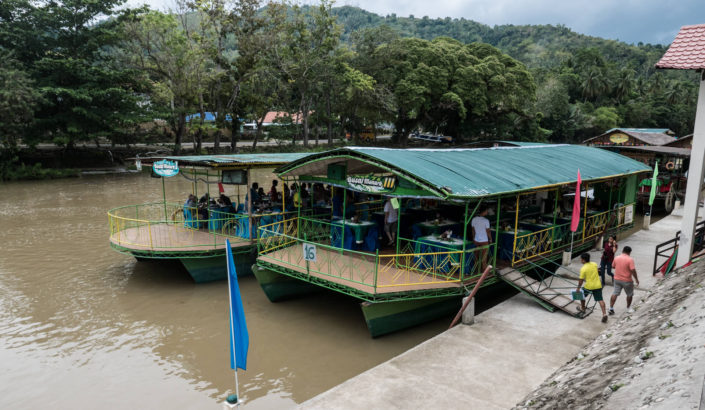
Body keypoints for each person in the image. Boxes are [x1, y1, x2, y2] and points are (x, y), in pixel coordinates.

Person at [576, 253, 608, 323]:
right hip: (598, 285)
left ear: (583, 260)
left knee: (581, 295)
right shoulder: (594, 264)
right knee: (600, 299)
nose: (580, 260)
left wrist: (578, 288)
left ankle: (583, 308)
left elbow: (581, 281)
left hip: (589, 286)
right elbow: (597, 270)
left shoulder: (583, 269)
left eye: (581, 259)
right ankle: (604, 314)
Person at [610, 246, 640, 315]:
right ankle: (628, 308)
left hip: (617, 279)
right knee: (629, 294)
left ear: (622, 250)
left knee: (615, 293)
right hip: (627, 280)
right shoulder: (630, 259)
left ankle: (611, 308)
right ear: (629, 252)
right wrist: (636, 279)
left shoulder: (616, 257)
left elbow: (613, 266)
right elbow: (633, 270)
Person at [471, 207, 492, 272]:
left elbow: (473, 230)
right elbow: (488, 231)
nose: (487, 212)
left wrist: (474, 238)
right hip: (484, 240)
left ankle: (475, 269)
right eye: (486, 211)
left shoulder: (474, 219)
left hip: (476, 240)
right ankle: (484, 270)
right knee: (484, 256)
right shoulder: (486, 220)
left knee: (476, 255)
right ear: (483, 212)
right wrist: (490, 239)